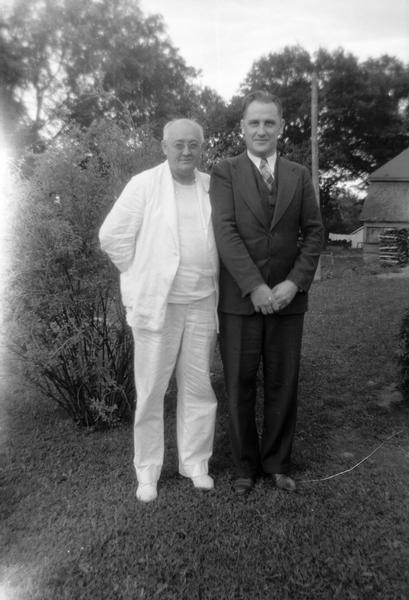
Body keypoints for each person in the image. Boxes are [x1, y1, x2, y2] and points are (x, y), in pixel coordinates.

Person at [209, 90, 323, 495]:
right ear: (242, 128)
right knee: (239, 383)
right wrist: (255, 286)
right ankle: (245, 466)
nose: (261, 130)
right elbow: (225, 231)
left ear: (281, 127)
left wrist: (294, 283)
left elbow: (313, 233)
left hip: (289, 302)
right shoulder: (225, 172)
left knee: (282, 382)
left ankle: (277, 462)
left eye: (269, 122)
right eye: (254, 122)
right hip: (241, 301)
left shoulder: (299, 174)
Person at [99, 119, 219, 503]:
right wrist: (140, 273)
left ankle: (195, 462)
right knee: (152, 390)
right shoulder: (144, 184)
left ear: (202, 148)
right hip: (159, 306)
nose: (187, 151)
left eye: (194, 145)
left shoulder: (211, 186)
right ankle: (147, 471)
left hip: (201, 302)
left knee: (199, 387)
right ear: (164, 146)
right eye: (179, 144)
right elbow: (112, 236)